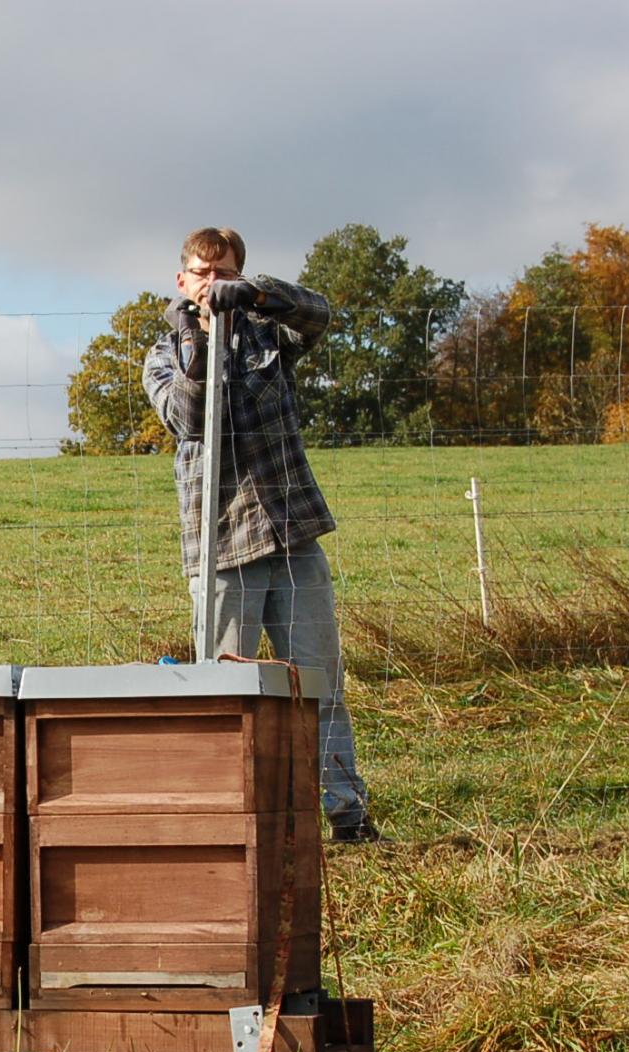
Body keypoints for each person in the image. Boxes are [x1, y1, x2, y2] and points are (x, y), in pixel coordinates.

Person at [141, 226, 377, 842]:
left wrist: (254, 297)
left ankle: (347, 816)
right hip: (223, 546)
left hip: (293, 532)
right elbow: (188, 417)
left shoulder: (269, 335)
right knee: (225, 691)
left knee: (318, 681)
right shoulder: (164, 353)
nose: (211, 284)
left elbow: (320, 313)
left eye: (224, 273)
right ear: (181, 280)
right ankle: (232, 821)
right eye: (201, 273)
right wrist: (198, 336)